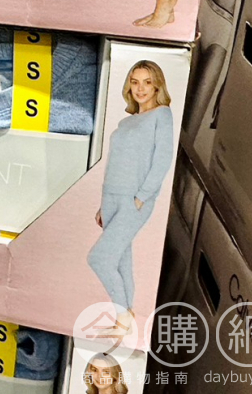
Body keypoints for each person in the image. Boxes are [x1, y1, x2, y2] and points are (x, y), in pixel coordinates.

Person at [88, 61, 173, 337]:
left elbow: (162, 160)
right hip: (111, 197)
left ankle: (122, 315)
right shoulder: (126, 121)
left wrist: (142, 197)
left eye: (147, 82)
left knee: (99, 258)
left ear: (157, 85)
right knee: (122, 259)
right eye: (135, 82)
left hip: (134, 199)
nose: (140, 88)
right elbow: (115, 162)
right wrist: (103, 204)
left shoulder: (162, 115)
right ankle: (126, 317)